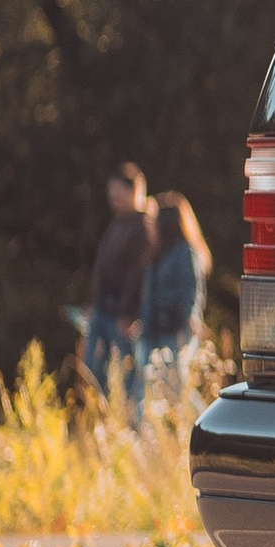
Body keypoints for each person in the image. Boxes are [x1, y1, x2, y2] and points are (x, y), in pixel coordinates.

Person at [137, 192, 211, 414]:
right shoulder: (156, 255)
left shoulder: (184, 253)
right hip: (154, 330)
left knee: (177, 384)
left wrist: (190, 319)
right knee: (152, 386)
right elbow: (148, 296)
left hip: (176, 329)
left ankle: (203, 421)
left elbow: (192, 290)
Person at [82, 163, 150, 407]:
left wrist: (127, 311)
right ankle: (100, 415)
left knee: (125, 374)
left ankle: (127, 419)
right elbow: (101, 269)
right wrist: (94, 303)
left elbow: (137, 274)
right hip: (102, 310)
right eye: (111, 194)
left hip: (122, 316)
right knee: (91, 369)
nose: (113, 199)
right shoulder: (116, 225)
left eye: (119, 193)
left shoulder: (143, 228)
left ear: (135, 192)